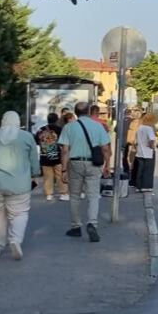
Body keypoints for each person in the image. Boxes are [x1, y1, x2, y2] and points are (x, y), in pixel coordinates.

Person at [0, 111, 39, 260]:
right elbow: (34, 161)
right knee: (20, 213)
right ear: (18, 122)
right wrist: (35, 174)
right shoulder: (27, 137)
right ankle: (15, 240)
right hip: (20, 185)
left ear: (3, 121)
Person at [58, 101, 111, 243]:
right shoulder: (98, 126)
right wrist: (107, 165)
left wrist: (63, 169)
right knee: (93, 196)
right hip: (93, 164)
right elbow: (105, 148)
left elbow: (65, 150)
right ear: (88, 112)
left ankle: (76, 227)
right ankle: (92, 224)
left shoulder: (69, 127)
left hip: (75, 163)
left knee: (75, 196)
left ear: (76, 112)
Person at [36, 112, 68, 201]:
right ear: (57, 120)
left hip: (45, 157)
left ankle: (49, 194)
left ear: (48, 120)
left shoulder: (41, 130)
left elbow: (37, 141)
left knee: (47, 177)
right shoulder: (60, 129)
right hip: (57, 157)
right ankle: (63, 193)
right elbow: (64, 143)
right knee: (60, 175)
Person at [134, 112, 158, 193]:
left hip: (140, 151)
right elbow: (151, 139)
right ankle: (146, 186)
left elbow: (136, 140)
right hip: (148, 152)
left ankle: (138, 186)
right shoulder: (149, 128)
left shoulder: (140, 127)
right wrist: (152, 146)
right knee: (148, 170)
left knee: (140, 169)